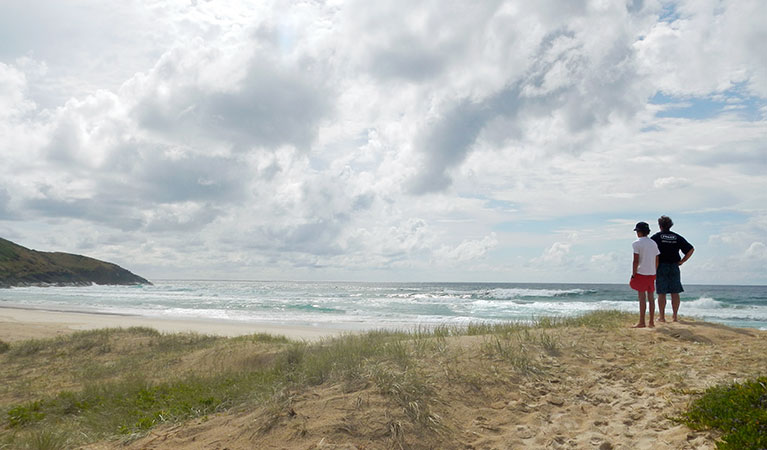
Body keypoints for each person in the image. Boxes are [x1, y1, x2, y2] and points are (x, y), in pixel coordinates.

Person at [651, 215, 694, 322]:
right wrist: (682, 261)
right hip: (674, 265)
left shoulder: (657, 237)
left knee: (662, 292)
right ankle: (675, 316)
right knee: (675, 292)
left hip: (661, 265)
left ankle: (662, 317)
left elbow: (649, 249)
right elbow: (690, 249)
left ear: (660, 226)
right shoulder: (677, 237)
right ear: (670, 226)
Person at [630, 221, 660, 328]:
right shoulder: (653, 243)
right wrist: (655, 271)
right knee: (651, 298)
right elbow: (657, 259)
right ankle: (651, 322)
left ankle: (642, 322)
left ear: (639, 232)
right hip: (652, 273)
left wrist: (633, 274)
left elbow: (635, 261)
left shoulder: (636, 243)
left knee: (642, 298)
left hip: (641, 272)